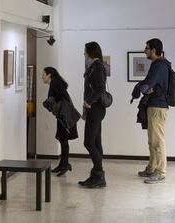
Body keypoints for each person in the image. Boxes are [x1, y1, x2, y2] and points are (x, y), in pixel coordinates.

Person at [137, 38, 170, 184]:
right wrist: (147, 88)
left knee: (158, 141)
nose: (145, 50)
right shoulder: (158, 65)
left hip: (158, 107)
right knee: (152, 141)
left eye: (147, 48)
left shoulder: (159, 66)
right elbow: (149, 87)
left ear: (154, 50)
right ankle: (151, 168)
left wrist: (144, 88)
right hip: (154, 106)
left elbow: (147, 86)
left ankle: (161, 172)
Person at [78, 42, 107, 188]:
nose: (84, 54)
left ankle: (99, 175)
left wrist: (89, 101)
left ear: (90, 52)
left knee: (88, 142)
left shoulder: (97, 67)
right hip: (95, 108)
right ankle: (96, 175)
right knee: (95, 142)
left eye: (85, 51)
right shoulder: (95, 66)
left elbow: (100, 88)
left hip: (95, 108)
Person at [42, 67, 78, 177]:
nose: (42, 77)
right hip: (63, 114)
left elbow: (61, 95)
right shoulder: (55, 82)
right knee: (62, 139)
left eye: (43, 74)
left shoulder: (55, 83)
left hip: (64, 114)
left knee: (63, 139)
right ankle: (63, 164)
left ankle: (65, 164)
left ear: (49, 75)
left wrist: (51, 101)